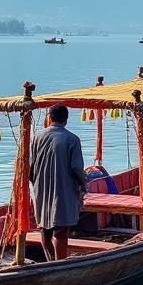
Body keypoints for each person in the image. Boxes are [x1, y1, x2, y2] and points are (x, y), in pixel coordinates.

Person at [30, 104, 88, 261]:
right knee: (60, 230)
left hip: (40, 190)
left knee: (45, 228)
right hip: (62, 190)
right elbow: (76, 168)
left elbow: (30, 167)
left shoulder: (37, 137)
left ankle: (50, 261)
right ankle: (60, 263)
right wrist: (84, 184)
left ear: (50, 118)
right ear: (66, 120)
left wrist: (37, 184)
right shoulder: (72, 139)